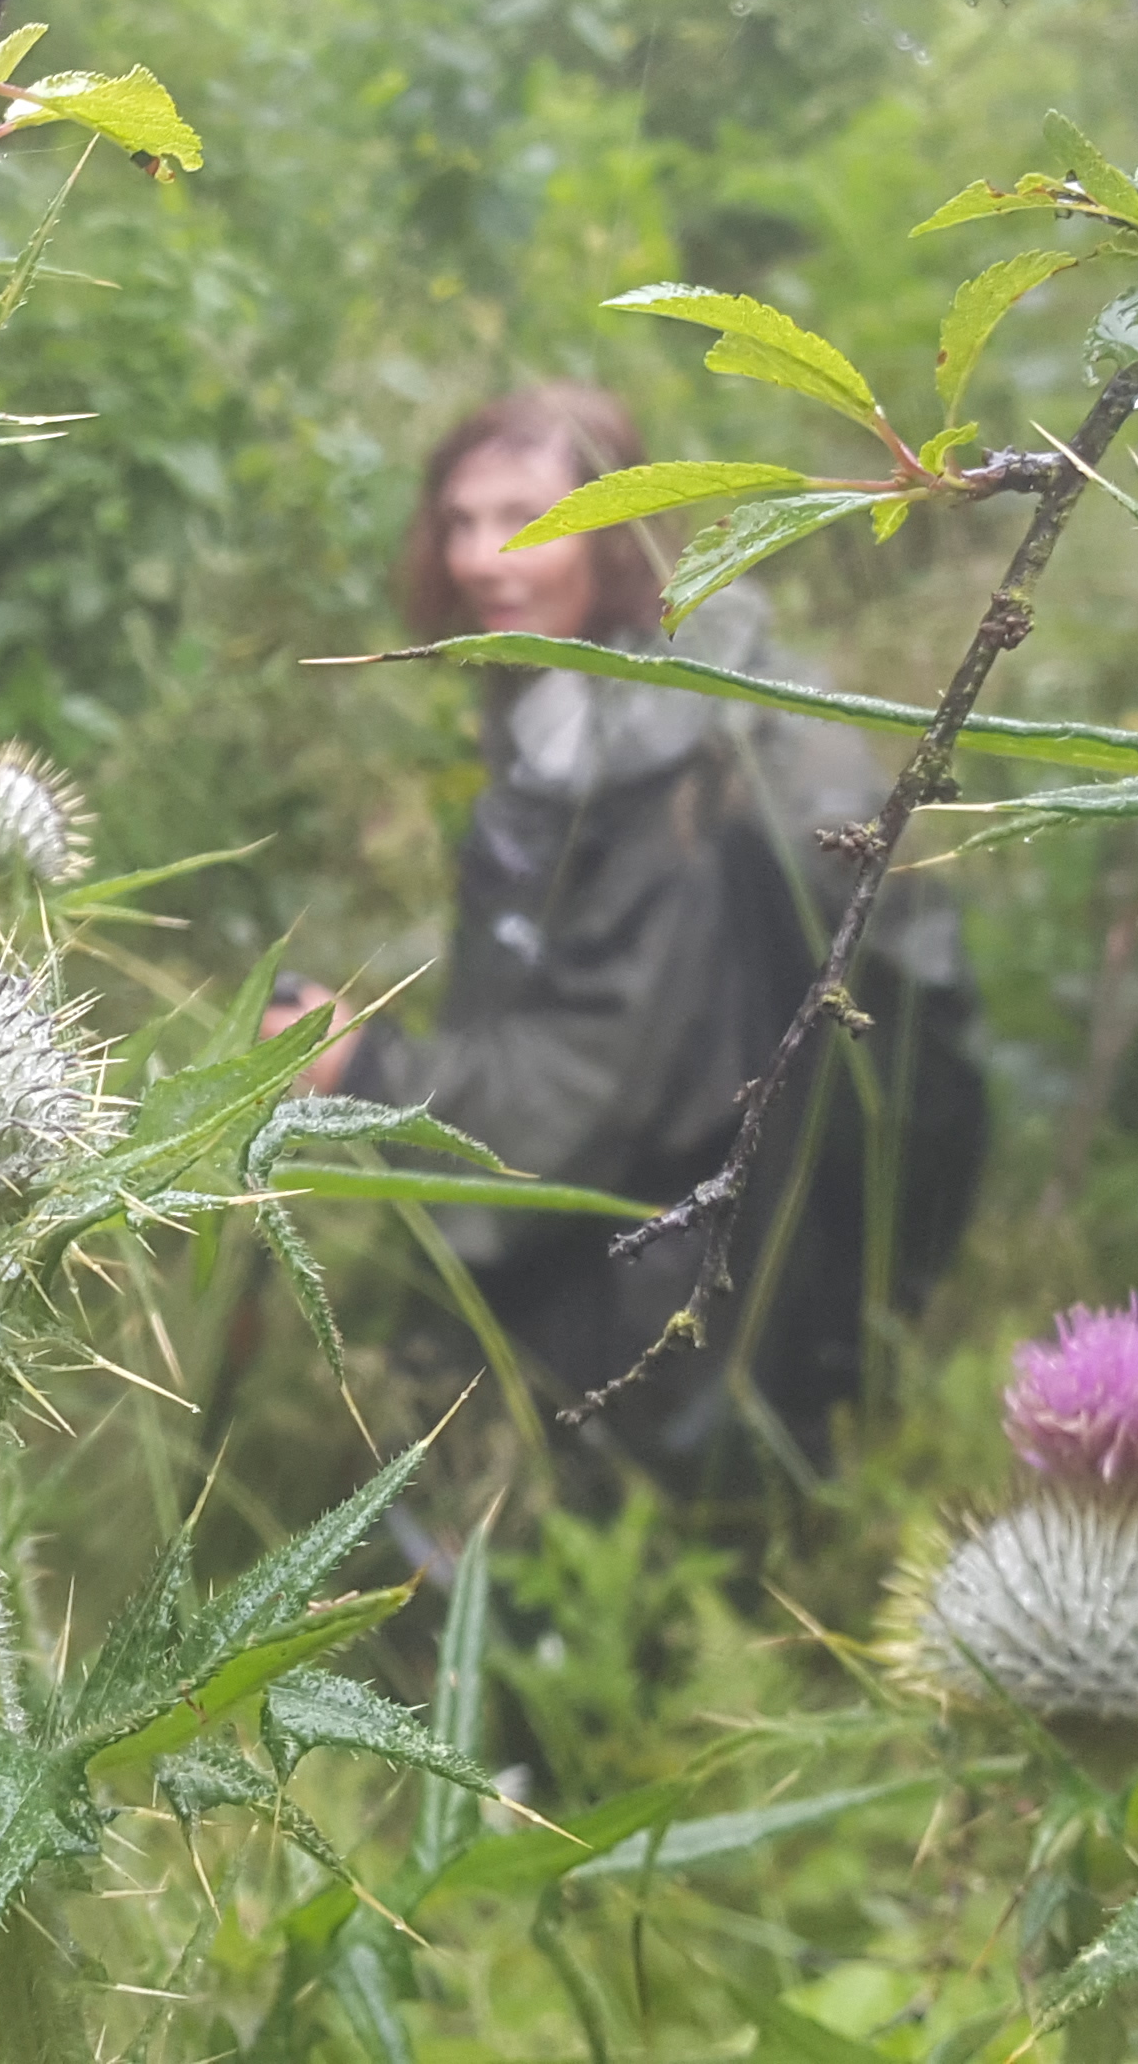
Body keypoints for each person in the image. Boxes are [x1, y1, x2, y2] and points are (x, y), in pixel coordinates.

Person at [287, 383, 985, 1476]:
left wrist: (367, 1068)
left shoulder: (683, 765)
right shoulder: (575, 698)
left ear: (614, 535)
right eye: (458, 522)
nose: (479, 558)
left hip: (682, 1281)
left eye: (521, 519)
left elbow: (595, 1078)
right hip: (648, 1220)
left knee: (586, 1575)